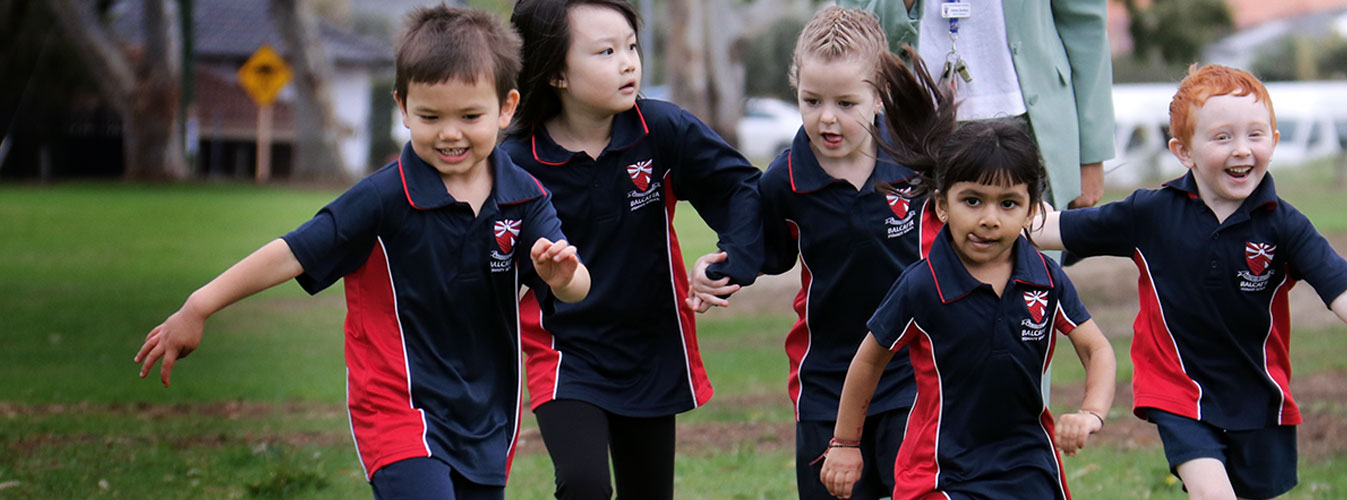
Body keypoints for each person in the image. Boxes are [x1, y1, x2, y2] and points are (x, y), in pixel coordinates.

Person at [134, 6, 591, 498]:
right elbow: (293, 252)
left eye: (470, 116)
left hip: (486, 417)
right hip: (396, 407)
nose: (451, 133)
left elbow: (576, 287)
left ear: (506, 108)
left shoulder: (525, 196)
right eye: (431, 116)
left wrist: (561, 275)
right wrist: (199, 306)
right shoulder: (382, 197)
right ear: (403, 107)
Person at [1027, 64, 1347, 500]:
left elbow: (1340, 288)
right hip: (1177, 392)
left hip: (1257, 395)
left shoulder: (1284, 224)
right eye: (1223, 137)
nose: (1242, 150)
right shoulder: (1149, 214)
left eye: (1255, 135)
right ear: (1183, 151)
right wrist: (993, 216)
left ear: (1274, 143)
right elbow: (1053, 228)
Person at [818, 48, 1117, 500]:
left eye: (1008, 204)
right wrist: (845, 444)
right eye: (972, 201)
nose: (989, 219)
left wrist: (1091, 413)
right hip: (941, 474)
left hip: (1030, 469)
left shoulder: (1046, 280)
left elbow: (1097, 349)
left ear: (1033, 212)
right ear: (942, 205)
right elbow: (869, 359)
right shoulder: (922, 286)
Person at [502, 1, 765, 498]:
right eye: (605, 51)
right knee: (584, 485)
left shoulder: (662, 130)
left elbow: (742, 190)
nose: (628, 62)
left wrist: (734, 259)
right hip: (563, 351)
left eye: (631, 47)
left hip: (651, 350)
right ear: (555, 72)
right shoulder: (515, 162)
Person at [704, 6, 940, 499]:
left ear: (879, 99)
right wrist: (720, 268)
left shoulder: (918, 162)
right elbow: (760, 251)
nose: (826, 117)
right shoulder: (785, 181)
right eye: (811, 101)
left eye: (845, 102)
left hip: (908, 373)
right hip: (825, 379)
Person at [839, 0, 1114, 210]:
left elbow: (1084, 23)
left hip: (1031, 123)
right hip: (908, 130)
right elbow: (852, 36)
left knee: (1029, 275)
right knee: (918, 277)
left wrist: (1091, 153)